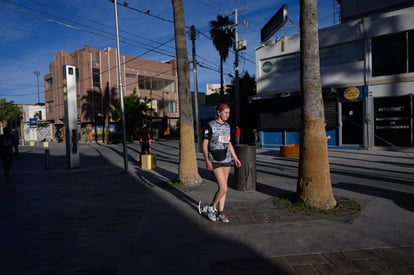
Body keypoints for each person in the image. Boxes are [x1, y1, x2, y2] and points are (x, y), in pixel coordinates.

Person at [200, 103, 241, 223]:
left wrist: (235, 157)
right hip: (215, 159)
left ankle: (221, 212)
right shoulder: (210, 126)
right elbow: (205, 144)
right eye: (226, 112)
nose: (228, 115)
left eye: (229, 113)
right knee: (223, 187)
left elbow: (228, 143)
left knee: (224, 188)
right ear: (219, 112)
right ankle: (212, 208)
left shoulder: (227, 126)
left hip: (226, 159)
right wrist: (207, 160)